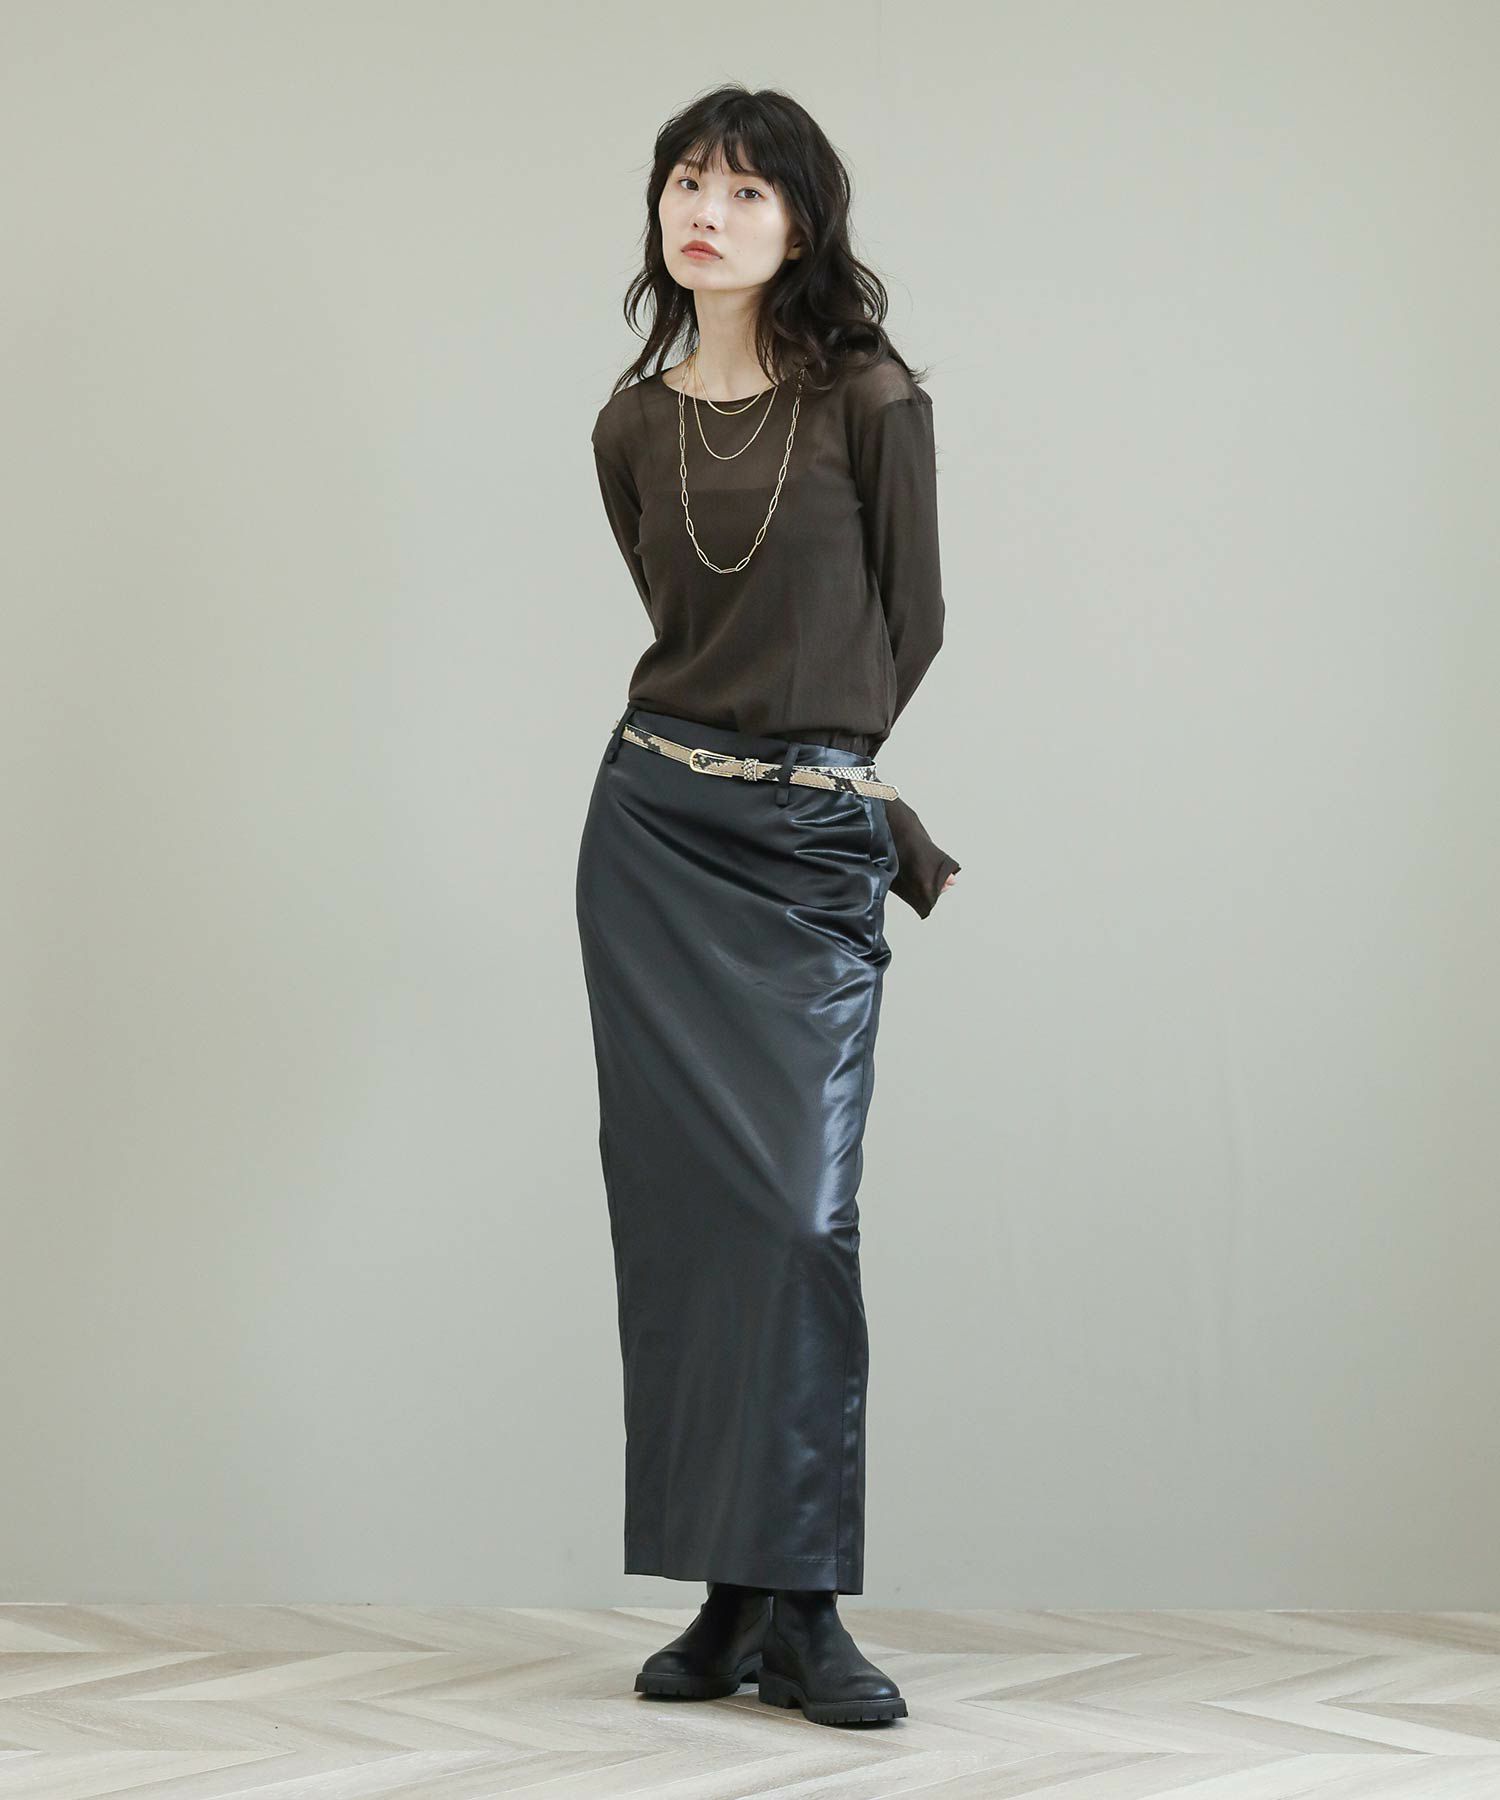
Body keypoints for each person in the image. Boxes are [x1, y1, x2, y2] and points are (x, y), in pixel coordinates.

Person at [575, 84, 960, 1729]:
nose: (706, 213)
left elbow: (914, 620)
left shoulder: (870, 395)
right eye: (687, 182)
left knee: (799, 1217)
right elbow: (679, 623)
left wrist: (821, 765)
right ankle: (732, 1595)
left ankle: (805, 1610)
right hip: (653, 837)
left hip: (801, 842)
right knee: (692, 1226)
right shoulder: (629, 425)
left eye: (744, 190)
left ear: (801, 223)